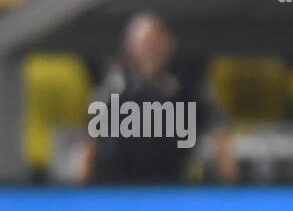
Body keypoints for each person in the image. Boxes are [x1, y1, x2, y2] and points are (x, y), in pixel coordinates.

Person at [83, 13, 236, 183]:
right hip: (121, 190)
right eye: (145, 45)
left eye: (156, 44)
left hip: (176, 189)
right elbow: (90, 147)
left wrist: (229, 189)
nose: (151, 51)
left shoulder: (191, 90)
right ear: (130, 48)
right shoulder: (112, 90)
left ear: (170, 44)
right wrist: (82, 193)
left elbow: (220, 138)